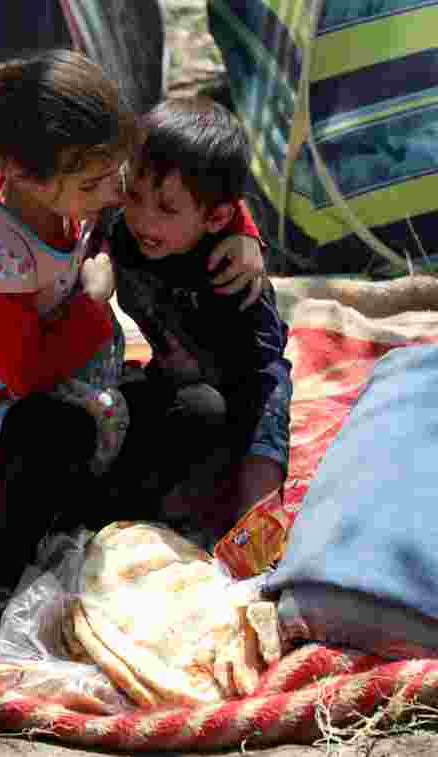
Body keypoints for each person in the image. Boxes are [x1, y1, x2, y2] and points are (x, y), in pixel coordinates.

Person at [0, 51, 268, 651]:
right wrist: (92, 305)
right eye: (97, 185)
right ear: (26, 176)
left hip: (100, 401)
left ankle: (86, 523)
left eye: (110, 178)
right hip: (23, 421)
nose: (113, 197)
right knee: (51, 432)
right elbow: (27, 375)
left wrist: (242, 231)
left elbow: (182, 172)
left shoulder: (72, 190)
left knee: (201, 409)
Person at [101, 97, 292, 539]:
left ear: (217, 217)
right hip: (171, 385)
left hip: (229, 407)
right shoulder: (126, 235)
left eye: (166, 208)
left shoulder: (233, 278)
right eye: (135, 197)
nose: (143, 219)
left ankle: (226, 522)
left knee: (219, 416)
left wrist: (257, 506)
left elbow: (263, 384)